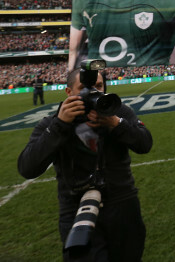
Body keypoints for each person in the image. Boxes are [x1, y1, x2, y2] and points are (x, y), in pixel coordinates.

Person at [18, 67, 152, 261]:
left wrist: (115, 124)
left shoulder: (118, 112)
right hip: (76, 208)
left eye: (98, 86)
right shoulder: (52, 123)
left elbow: (145, 143)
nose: (93, 92)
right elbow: (27, 168)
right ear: (68, 92)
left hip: (122, 203)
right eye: (84, 88)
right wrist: (60, 125)